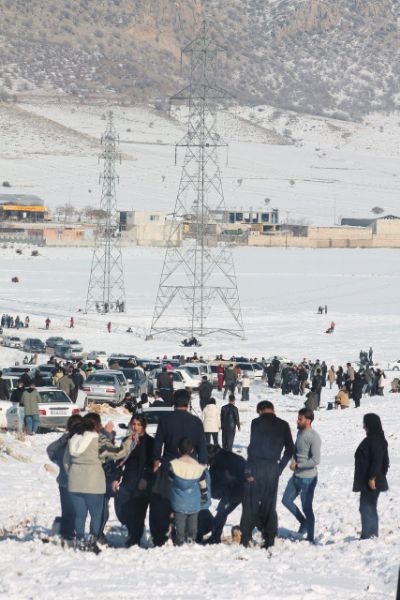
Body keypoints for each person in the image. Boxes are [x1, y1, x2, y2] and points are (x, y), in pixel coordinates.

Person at [151, 388, 207, 547]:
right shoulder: (196, 422)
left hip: (169, 465)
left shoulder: (165, 419)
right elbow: (202, 445)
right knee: (189, 500)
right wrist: (202, 463)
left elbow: (158, 443)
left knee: (165, 502)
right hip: (191, 467)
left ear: (173, 402)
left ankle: (164, 534)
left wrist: (156, 460)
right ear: (188, 403)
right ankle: (190, 534)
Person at [240, 400, 294, 550]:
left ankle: (246, 537)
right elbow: (290, 449)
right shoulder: (283, 425)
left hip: (256, 466)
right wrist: (280, 467)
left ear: (260, 410)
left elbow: (252, 447)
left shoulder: (256, 423)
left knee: (250, 503)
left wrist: (248, 470)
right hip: (272, 467)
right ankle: (269, 538)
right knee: (269, 504)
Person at [63, 414, 106, 552]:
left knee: (80, 515)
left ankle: (80, 539)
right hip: (94, 483)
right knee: (96, 514)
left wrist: (72, 474)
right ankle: (93, 539)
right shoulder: (98, 439)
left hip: (75, 482)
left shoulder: (72, 440)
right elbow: (112, 454)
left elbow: (66, 462)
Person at [112, 415, 154, 547]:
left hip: (142, 481)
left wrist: (145, 478)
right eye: (134, 424)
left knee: (139, 512)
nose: (135, 427)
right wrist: (116, 478)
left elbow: (152, 463)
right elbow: (120, 461)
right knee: (123, 508)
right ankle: (132, 532)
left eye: (138, 425)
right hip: (128, 479)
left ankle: (135, 537)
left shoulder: (150, 442)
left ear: (143, 426)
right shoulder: (127, 440)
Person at [282, 408, 321, 543]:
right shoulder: (299, 433)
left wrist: (298, 466)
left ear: (308, 421)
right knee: (286, 500)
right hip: (296, 476)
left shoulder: (314, 437)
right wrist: (293, 462)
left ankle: (310, 537)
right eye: (298, 418)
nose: (297, 421)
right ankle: (303, 522)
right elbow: (296, 451)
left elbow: (316, 460)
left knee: (307, 508)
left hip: (308, 479)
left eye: (300, 419)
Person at [46, 414, 83, 542]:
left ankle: (63, 527)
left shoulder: (83, 441)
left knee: (75, 510)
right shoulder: (64, 441)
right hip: (65, 482)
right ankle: (67, 534)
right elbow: (50, 450)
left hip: (78, 482)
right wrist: (59, 461)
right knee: (69, 510)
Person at [353, 413, 389, 539]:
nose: (364, 427)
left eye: (365, 424)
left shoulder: (375, 440)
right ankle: (369, 533)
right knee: (367, 507)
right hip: (370, 480)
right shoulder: (376, 438)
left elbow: (377, 461)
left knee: (367, 507)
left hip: (372, 481)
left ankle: (369, 535)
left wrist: (372, 478)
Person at [169, 437, 208, 545]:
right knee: (192, 523)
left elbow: (170, 480)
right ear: (192, 450)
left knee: (180, 522)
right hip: (193, 501)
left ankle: (180, 539)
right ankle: (191, 539)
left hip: (178, 501)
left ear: (178, 450)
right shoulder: (197, 466)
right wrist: (204, 494)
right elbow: (202, 483)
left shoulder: (174, 465)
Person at [206, 444, 246, 544]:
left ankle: (215, 538)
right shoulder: (224, 454)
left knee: (222, 512)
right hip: (244, 486)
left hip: (237, 490)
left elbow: (215, 489)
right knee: (222, 512)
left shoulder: (218, 464)